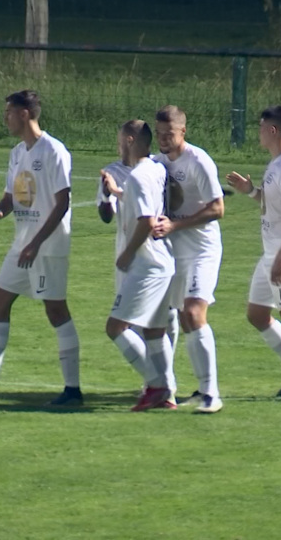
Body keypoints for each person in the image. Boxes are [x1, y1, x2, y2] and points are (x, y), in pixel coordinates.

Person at [0, 90, 82, 406]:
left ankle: (73, 391)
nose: (5, 117)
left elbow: (63, 203)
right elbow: (10, 197)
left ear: (24, 114)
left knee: (56, 311)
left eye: (9, 112)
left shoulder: (54, 150)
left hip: (47, 248)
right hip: (22, 246)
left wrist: (36, 243)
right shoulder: (17, 153)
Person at [225, 105, 281, 401]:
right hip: (272, 254)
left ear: (273, 130)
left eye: (262, 127)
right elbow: (274, 205)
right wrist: (251, 191)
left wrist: (280, 259)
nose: (259, 132)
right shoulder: (276, 164)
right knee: (257, 313)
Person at [152, 105, 225, 414]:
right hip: (173, 252)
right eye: (159, 134)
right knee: (177, 316)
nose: (164, 140)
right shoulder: (156, 162)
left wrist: (176, 224)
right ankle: (174, 386)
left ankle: (212, 394)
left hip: (201, 249)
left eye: (169, 134)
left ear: (183, 132)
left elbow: (218, 208)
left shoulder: (198, 161)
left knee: (194, 314)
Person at [102, 120, 176, 411]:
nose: (119, 146)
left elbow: (146, 221)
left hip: (147, 266)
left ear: (131, 140)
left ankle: (158, 386)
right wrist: (115, 191)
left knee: (116, 327)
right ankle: (166, 396)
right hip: (163, 263)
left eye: (121, 140)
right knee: (155, 332)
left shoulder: (139, 177)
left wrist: (127, 254)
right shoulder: (155, 168)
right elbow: (143, 203)